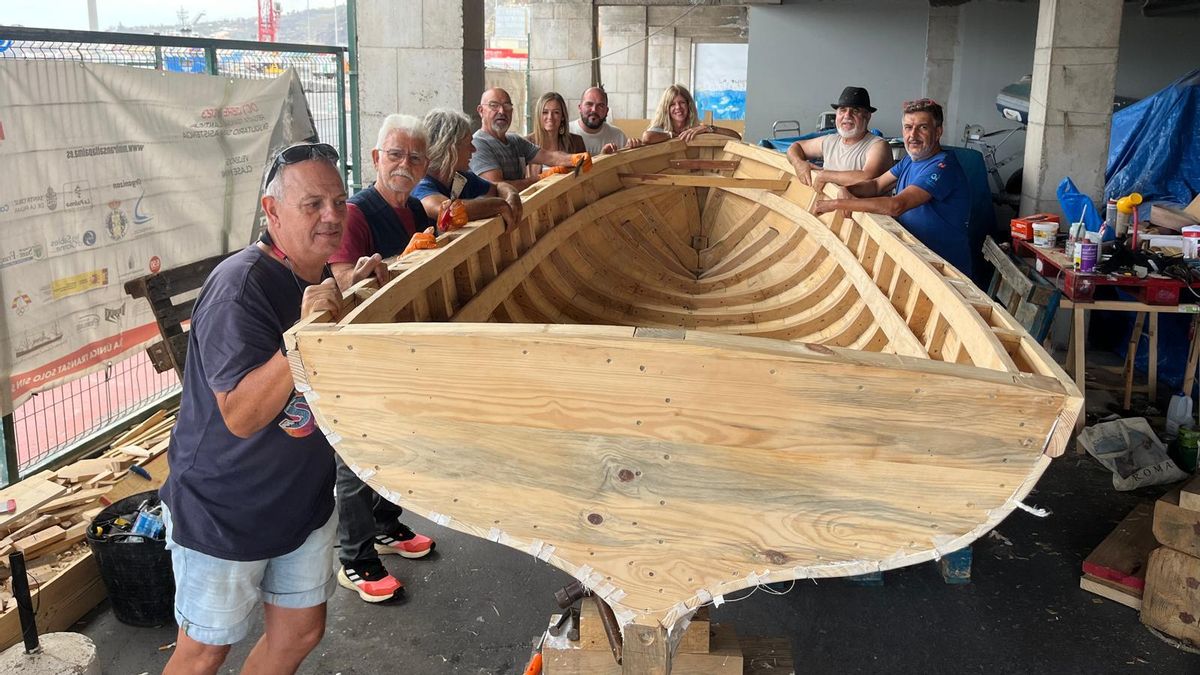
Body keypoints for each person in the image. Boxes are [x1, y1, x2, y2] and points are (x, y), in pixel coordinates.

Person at [160, 142, 386, 674]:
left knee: (301, 630)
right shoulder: (240, 287)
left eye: (338, 201)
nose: (332, 216)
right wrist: (302, 334)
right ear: (272, 212)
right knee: (203, 651)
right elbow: (241, 416)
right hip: (227, 508)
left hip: (300, 498)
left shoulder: (317, 275)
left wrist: (354, 296)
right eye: (313, 204)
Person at [325, 114, 437, 604]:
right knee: (356, 455)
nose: (403, 164)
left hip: (398, 346)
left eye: (414, 157)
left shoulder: (414, 210)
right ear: (375, 158)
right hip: (357, 354)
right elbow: (339, 281)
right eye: (394, 154)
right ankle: (355, 557)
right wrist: (366, 274)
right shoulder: (356, 212)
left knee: (401, 441)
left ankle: (386, 527)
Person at [813, 98, 972, 276]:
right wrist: (848, 190)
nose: (913, 135)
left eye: (923, 128)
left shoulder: (942, 167)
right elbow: (876, 185)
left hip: (945, 269)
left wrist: (835, 204)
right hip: (916, 256)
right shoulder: (909, 161)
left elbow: (896, 205)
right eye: (908, 127)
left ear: (938, 132)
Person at [415, 107, 523, 228]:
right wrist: (499, 205)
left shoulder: (458, 178)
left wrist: (513, 196)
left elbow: (497, 186)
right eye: (469, 143)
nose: (474, 149)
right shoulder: (420, 183)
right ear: (452, 148)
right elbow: (447, 210)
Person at [469, 87, 584, 190]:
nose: (502, 111)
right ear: (481, 111)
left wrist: (575, 158)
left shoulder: (515, 141)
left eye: (507, 106)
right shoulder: (478, 144)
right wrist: (541, 178)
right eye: (494, 105)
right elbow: (497, 187)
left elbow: (550, 156)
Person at [787, 86, 892, 190]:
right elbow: (796, 146)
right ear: (836, 114)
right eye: (842, 110)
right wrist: (798, 163)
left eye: (855, 111)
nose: (847, 115)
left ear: (867, 116)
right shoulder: (830, 141)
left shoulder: (878, 145)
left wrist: (826, 175)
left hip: (860, 207)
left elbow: (867, 177)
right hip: (830, 206)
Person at [641, 84, 741, 145]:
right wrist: (671, 135)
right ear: (666, 109)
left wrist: (708, 128)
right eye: (672, 104)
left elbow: (736, 137)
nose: (678, 107)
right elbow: (647, 138)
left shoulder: (697, 129)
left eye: (682, 103)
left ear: (689, 105)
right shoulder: (660, 129)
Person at [526, 92, 587, 178]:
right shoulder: (526, 143)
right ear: (538, 115)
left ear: (562, 116)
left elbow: (585, 175)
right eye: (545, 112)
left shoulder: (576, 142)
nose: (550, 117)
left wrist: (602, 155)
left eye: (556, 112)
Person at [569, 86, 641, 155]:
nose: (594, 110)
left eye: (600, 106)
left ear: (606, 111)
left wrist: (632, 151)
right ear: (580, 108)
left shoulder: (618, 136)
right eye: (589, 104)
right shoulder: (567, 132)